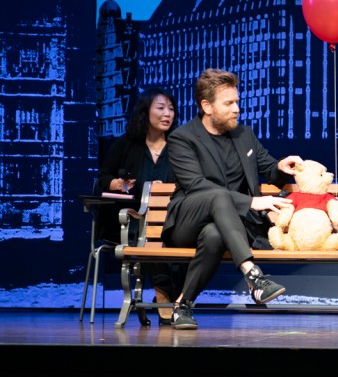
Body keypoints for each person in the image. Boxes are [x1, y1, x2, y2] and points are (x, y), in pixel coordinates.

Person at [162, 68, 302, 330]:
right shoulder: (183, 138)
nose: (237, 108)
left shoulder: (244, 135)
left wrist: (281, 167)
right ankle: (253, 275)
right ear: (207, 106)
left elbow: (268, 168)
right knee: (215, 193)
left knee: (214, 235)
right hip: (188, 222)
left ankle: (182, 306)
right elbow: (196, 185)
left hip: (227, 227)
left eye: (237, 101)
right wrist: (250, 202)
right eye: (228, 103)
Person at [97, 87, 186, 325]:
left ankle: (177, 297)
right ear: (145, 112)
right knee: (150, 233)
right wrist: (120, 184)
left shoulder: (179, 145)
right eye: (161, 108)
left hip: (175, 216)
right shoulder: (127, 144)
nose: (167, 114)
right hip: (136, 219)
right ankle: (165, 294)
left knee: (184, 234)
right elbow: (104, 178)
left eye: (171, 109)